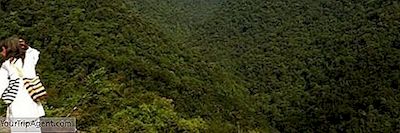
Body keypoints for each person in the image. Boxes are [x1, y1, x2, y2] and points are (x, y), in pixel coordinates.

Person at [0, 36, 44, 132]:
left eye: (2, 50)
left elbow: (1, 86)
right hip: (33, 107)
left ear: (9, 49)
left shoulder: (6, 65)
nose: (1, 53)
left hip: (17, 109)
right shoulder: (29, 60)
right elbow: (35, 53)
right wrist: (26, 46)